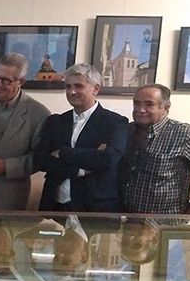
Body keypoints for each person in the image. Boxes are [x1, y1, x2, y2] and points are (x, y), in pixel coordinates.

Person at [34, 63, 128, 212]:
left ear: (96, 89)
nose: (72, 91)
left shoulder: (116, 122)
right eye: (68, 86)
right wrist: (80, 170)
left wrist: (62, 153)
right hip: (55, 206)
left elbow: (108, 159)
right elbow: (40, 160)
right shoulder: (55, 121)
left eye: (78, 86)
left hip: (94, 208)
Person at [0, 53, 50, 210]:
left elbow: (40, 157)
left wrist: (7, 166)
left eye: (6, 80)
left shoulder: (39, 114)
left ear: (21, 81)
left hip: (9, 193)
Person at [119, 84, 190, 214]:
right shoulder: (126, 131)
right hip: (126, 221)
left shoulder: (185, 134)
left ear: (165, 108)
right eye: (137, 103)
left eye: (149, 104)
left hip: (165, 224)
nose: (141, 109)